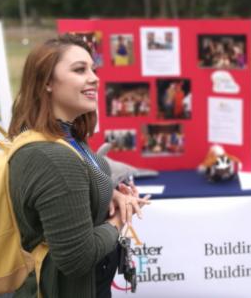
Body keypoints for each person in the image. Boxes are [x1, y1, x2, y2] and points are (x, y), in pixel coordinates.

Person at [8, 34, 149, 297]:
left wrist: (113, 194)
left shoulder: (64, 138)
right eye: (79, 70)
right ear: (47, 81)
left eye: (93, 69)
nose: (94, 77)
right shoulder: (53, 157)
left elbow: (77, 186)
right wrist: (119, 219)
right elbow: (77, 259)